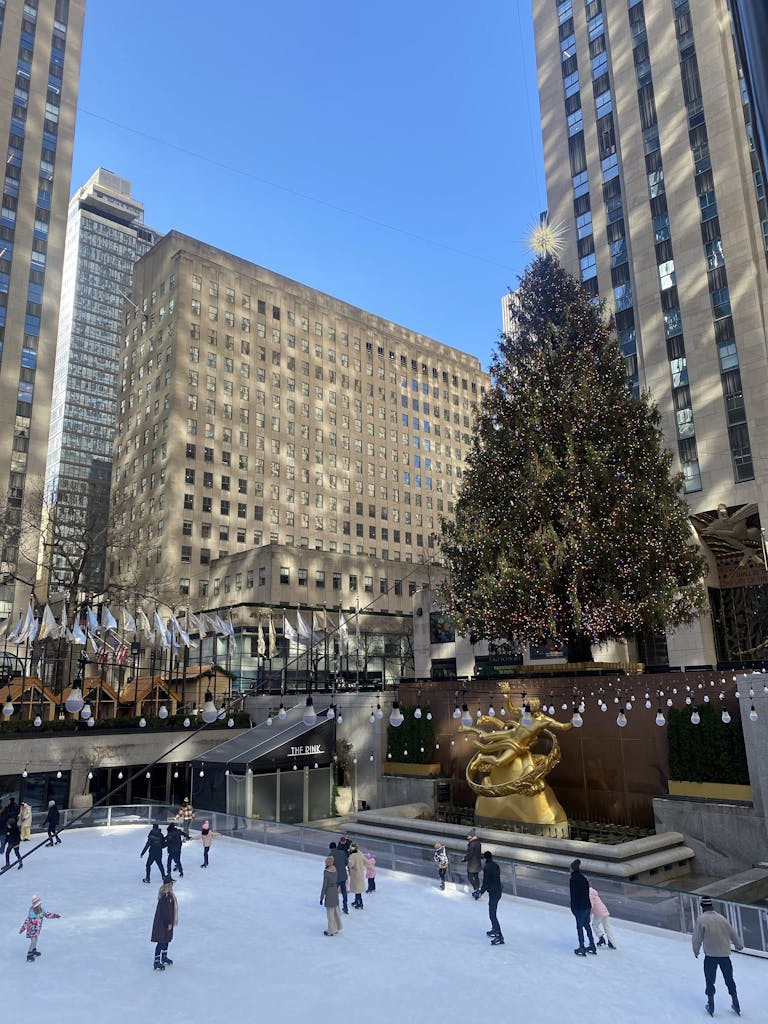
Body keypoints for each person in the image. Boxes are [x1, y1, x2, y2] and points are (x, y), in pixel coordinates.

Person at [692, 896, 743, 1017]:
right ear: (712, 906)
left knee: (710, 980)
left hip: (710, 955)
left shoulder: (701, 920)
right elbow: (732, 932)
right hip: (725, 955)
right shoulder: (722, 919)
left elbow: (696, 938)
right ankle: (735, 1002)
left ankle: (711, 1003)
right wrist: (738, 944)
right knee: (729, 979)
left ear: (702, 907)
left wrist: (696, 950)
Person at [19, 895, 60, 962]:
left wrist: (55, 916)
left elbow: (47, 915)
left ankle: (34, 950)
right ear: (36, 905)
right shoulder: (31, 914)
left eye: (40, 903)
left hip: (37, 929)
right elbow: (26, 922)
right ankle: (29, 955)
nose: (41, 904)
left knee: (36, 940)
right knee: (33, 941)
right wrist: (22, 929)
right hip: (31, 930)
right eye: (39, 903)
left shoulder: (41, 910)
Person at [151, 875, 178, 971]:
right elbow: (166, 912)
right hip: (162, 924)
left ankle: (164, 957)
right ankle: (156, 961)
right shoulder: (165, 896)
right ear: (167, 885)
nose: (172, 885)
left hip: (166, 923)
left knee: (166, 940)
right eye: (171, 884)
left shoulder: (169, 895)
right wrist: (169, 922)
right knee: (161, 941)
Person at [570, 859, 596, 956]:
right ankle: (592, 944)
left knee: (579, 927)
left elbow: (573, 895)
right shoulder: (583, 878)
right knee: (587, 925)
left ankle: (582, 946)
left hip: (579, 907)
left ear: (572, 869)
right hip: (587, 906)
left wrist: (573, 908)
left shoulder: (573, 879)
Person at [480, 851, 504, 945]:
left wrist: (481, 892)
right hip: (498, 891)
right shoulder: (495, 865)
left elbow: (486, 882)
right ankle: (494, 930)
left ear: (485, 859)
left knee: (492, 915)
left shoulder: (487, 868)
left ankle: (499, 936)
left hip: (494, 893)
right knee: (492, 913)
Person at [320, 855, 342, 936]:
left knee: (330, 913)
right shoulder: (335, 870)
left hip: (329, 892)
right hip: (335, 891)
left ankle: (331, 930)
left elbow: (324, 886)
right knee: (336, 910)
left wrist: (321, 897)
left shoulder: (327, 872)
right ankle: (337, 927)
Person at [348, 843, 374, 909]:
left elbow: (351, 864)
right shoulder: (360, 853)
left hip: (355, 875)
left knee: (357, 891)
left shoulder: (352, 856)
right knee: (358, 890)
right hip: (360, 874)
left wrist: (347, 863)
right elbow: (366, 861)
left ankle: (360, 903)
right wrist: (371, 868)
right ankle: (356, 901)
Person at [329, 841, 350, 914]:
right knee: (344, 891)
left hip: (335, 877)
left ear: (330, 848)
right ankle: (345, 906)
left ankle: (335, 907)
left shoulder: (330, 855)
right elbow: (346, 862)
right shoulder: (342, 853)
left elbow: (329, 867)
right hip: (343, 875)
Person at [463, 830, 482, 898]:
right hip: (477, 862)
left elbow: (470, 854)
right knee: (476, 876)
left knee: (470, 877)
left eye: (468, 836)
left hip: (472, 863)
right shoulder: (478, 842)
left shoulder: (471, 844)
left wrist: (465, 859)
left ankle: (476, 889)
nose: (467, 837)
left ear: (471, 836)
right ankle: (478, 889)